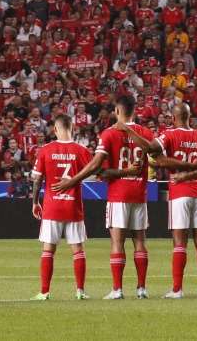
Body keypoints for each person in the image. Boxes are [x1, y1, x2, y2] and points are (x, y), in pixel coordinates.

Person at [54, 92, 161, 299]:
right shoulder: (146, 133)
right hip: (139, 193)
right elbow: (157, 157)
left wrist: (72, 180)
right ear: (134, 111)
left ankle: (117, 289)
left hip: (119, 194)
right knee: (139, 241)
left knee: (117, 242)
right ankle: (141, 289)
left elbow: (96, 164)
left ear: (117, 110)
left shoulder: (109, 133)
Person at [153, 102, 197, 298]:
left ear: (173, 118)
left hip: (179, 192)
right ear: (189, 117)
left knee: (179, 242)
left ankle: (177, 289)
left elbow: (158, 157)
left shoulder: (169, 134)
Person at [30, 112, 92, 301]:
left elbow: (37, 179)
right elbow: (94, 173)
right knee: (78, 250)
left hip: (52, 207)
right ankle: (80, 291)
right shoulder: (82, 151)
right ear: (72, 128)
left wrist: (35, 202)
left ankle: (44, 292)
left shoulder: (45, 150)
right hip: (73, 206)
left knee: (48, 249)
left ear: (55, 129)